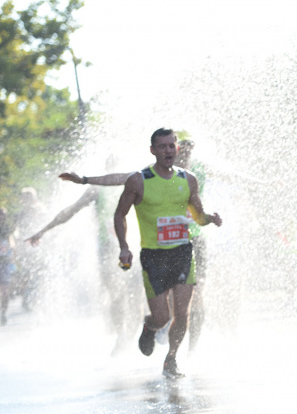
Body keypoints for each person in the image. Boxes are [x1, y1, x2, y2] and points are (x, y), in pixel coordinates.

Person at [58, 136, 210, 351]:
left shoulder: (194, 175)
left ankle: (187, 352)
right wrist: (84, 179)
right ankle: (152, 326)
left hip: (190, 243)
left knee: (194, 298)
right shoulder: (150, 174)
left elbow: (227, 181)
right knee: (162, 307)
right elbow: (121, 178)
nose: (183, 155)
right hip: (157, 249)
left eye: (187, 151)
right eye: (180, 150)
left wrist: (256, 184)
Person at [114, 128, 222, 378]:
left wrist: (210, 219)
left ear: (177, 149)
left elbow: (198, 216)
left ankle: (171, 359)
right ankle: (150, 326)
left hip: (183, 252)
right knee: (162, 317)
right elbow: (120, 214)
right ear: (153, 150)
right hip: (154, 256)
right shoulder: (138, 180)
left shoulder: (189, 179)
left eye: (171, 146)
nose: (167, 151)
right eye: (161, 147)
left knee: (182, 314)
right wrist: (124, 246)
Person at [25, 164, 143, 352]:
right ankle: (122, 336)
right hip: (107, 249)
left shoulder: (136, 182)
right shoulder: (97, 189)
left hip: (135, 245)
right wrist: (43, 230)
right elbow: (70, 211)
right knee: (115, 293)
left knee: (135, 294)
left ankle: (133, 335)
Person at [0, 207, 14, 326]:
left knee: (5, 291)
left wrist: (12, 255)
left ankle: (3, 313)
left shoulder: (7, 229)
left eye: (4, 215)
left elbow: (12, 244)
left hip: (5, 264)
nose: (2, 218)